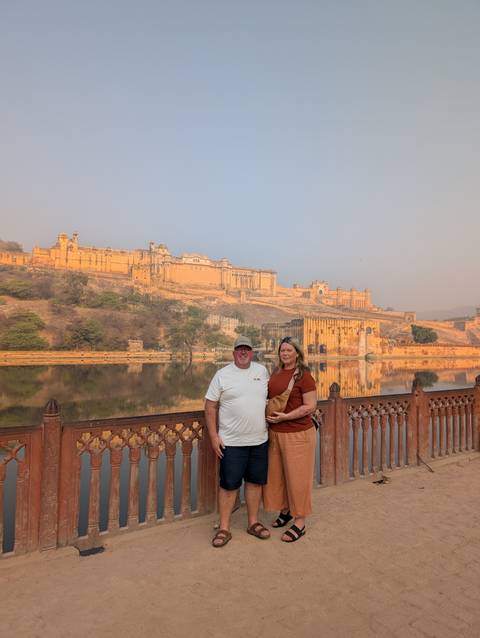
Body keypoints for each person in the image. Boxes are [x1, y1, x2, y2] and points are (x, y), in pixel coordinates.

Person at [205, 335, 270, 547]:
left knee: (254, 483)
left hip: (259, 440)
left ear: (252, 353)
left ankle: (253, 522)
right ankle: (224, 528)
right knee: (229, 485)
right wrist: (214, 436)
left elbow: (273, 399)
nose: (243, 352)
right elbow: (210, 406)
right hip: (231, 442)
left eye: (247, 349)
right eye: (239, 349)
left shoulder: (262, 372)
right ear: (233, 353)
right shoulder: (222, 375)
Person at [263, 336, 317, 542]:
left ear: (297, 353)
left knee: (298, 478)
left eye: (289, 350)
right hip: (276, 433)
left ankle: (300, 521)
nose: (285, 353)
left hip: (297, 434)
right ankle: (285, 511)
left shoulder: (304, 376)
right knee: (278, 476)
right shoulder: (276, 373)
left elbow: (310, 406)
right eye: (282, 350)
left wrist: (286, 417)